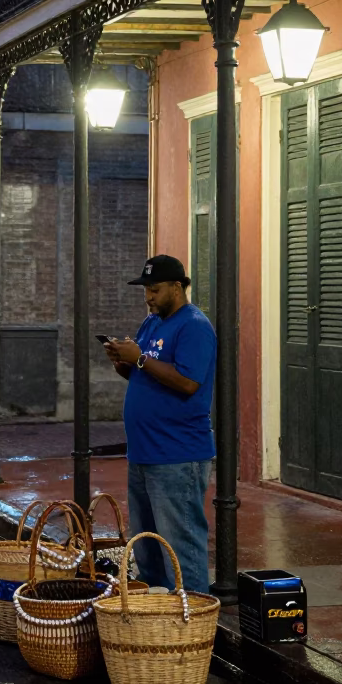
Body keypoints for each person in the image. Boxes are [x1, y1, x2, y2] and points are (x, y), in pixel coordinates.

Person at [104, 255, 217, 596]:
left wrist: (139, 357)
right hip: (143, 453)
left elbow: (187, 383)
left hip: (177, 455)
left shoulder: (194, 325)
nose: (149, 297)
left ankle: (193, 619)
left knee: (180, 546)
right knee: (148, 547)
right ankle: (156, 620)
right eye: (146, 290)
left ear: (178, 287)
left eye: (154, 289)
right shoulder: (151, 323)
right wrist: (122, 361)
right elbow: (142, 370)